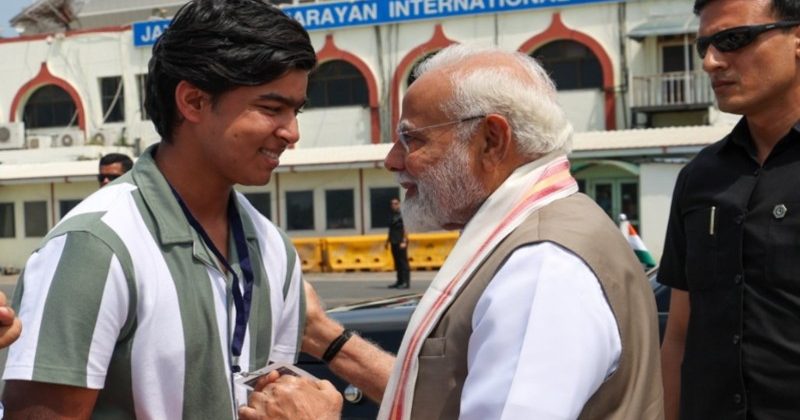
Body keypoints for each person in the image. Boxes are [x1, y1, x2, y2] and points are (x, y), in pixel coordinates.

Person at [242, 44, 664, 420]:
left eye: (411, 139)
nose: (392, 160)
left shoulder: (541, 268)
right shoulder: (541, 230)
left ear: (490, 140)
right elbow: (449, 398)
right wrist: (328, 338)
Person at [2, 0, 319, 418]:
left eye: (296, 111)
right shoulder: (96, 247)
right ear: (193, 101)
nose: (291, 132)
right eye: (271, 108)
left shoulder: (274, 249)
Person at [659, 0, 800, 419]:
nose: (710, 62)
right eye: (704, 45)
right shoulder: (700, 178)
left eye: (732, 40)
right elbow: (680, 334)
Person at [386, 197, 410, 289]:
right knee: (397, 262)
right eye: (392, 204)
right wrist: (387, 241)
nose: (393, 205)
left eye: (396, 203)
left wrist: (404, 240)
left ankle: (405, 282)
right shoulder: (392, 215)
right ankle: (399, 281)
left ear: (399, 204)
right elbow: (391, 229)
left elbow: (406, 228)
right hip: (393, 241)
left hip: (401, 241)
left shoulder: (403, 215)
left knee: (403, 262)